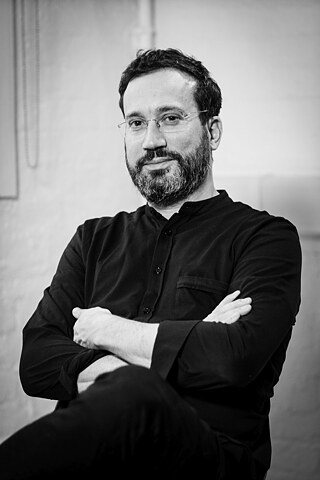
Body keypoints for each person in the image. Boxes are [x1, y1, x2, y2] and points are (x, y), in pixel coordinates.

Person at [0, 48, 301, 480]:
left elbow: (233, 359)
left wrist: (107, 332)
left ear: (212, 131)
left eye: (171, 118)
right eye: (136, 122)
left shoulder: (265, 237)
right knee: (128, 388)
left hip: (208, 461)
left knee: (134, 392)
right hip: (99, 464)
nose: (151, 140)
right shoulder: (94, 239)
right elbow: (37, 361)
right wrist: (188, 341)